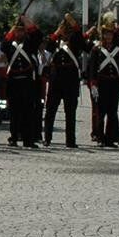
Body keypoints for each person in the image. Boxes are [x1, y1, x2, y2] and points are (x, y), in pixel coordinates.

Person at [0, 12, 43, 148]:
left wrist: (26, 21)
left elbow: (38, 35)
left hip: (27, 83)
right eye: (17, 30)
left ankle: (27, 139)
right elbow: (3, 45)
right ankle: (13, 137)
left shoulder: (30, 44)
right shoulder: (9, 45)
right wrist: (13, 28)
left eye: (21, 30)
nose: (19, 33)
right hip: (14, 82)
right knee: (14, 112)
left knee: (28, 112)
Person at [42, 13, 84, 149]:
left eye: (67, 30)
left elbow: (80, 38)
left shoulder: (75, 41)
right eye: (64, 30)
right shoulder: (55, 42)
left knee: (70, 112)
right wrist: (57, 33)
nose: (65, 33)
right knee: (50, 110)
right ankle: (47, 138)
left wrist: (73, 23)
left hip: (70, 79)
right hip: (56, 79)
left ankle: (70, 140)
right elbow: (48, 47)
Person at [85, 17, 119, 149]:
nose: (108, 36)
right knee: (101, 113)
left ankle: (110, 139)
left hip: (114, 84)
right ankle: (100, 138)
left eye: (110, 34)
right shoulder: (96, 49)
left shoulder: (117, 49)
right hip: (102, 83)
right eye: (106, 34)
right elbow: (92, 69)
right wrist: (93, 84)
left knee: (112, 112)